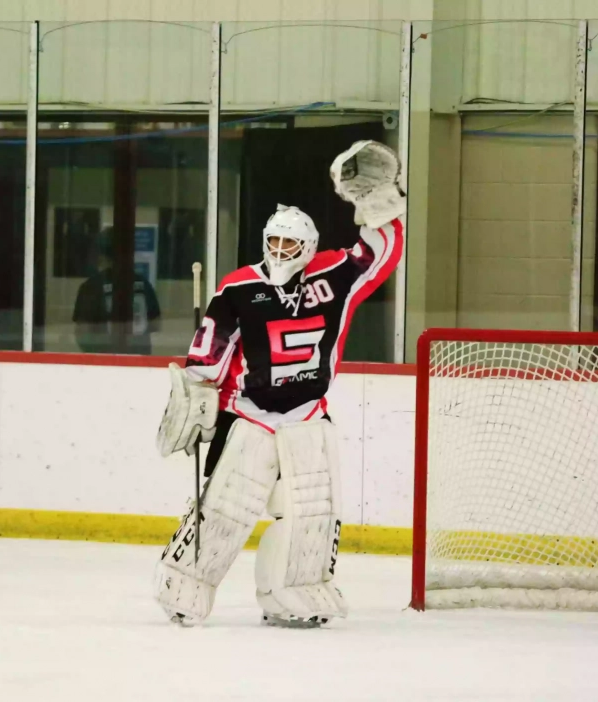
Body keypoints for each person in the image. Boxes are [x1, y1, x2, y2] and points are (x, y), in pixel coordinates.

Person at [153, 140, 405, 628]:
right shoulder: (239, 287)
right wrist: (199, 395)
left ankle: (296, 592)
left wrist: (374, 202)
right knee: (225, 507)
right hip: (252, 412)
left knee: (311, 512)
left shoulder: (334, 275)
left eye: (290, 245)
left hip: (307, 414)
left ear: (308, 247)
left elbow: (381, 252)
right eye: (274, 243)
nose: (281, 252)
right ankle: (184, 582)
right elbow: (211, 349)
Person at [72, 227, 161, 355]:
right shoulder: (143, 284)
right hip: (140, 364)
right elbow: (155, 325)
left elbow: (83, 334)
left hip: (104, 364)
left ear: (100, 255)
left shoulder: (91, 287)